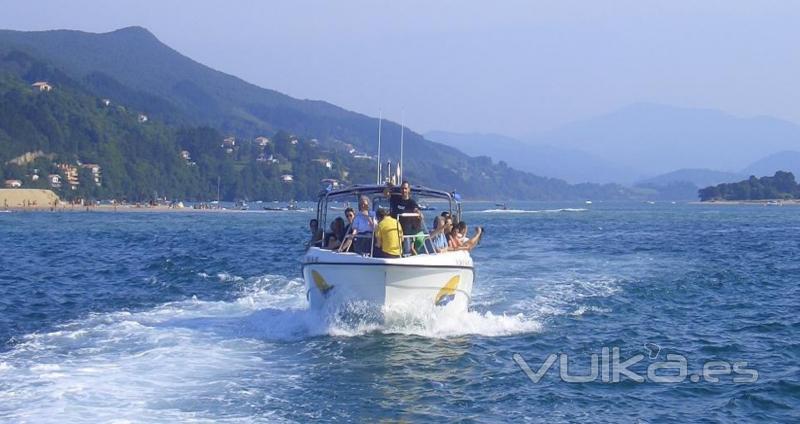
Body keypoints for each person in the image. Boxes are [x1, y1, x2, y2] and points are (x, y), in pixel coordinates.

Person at [387, 180, 424, 254]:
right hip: (394, 230)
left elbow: (416, 209)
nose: (404, 190)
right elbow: (386, 194)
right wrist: (389, 187)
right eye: (402, 188)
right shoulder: (395, 199)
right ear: (400, 189)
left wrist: (419, 213)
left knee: (406, 251)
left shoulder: (412, 202)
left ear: (409, 190)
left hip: (406, 232)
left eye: (406, 188)